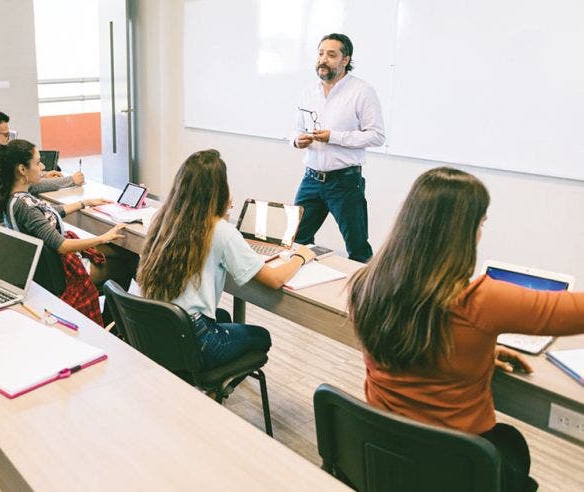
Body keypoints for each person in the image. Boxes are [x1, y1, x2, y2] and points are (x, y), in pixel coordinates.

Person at [348, 167, 584, 492]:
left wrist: (479, 350)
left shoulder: (367, 284)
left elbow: (419, 339)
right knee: (511, 444)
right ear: (464, 230)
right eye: (481, 223)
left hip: (383, 454)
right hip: (453, 469)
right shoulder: (480, 301)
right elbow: (574, 313)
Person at [136, 149, 315, 369]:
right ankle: (210, 388)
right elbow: (275, 280)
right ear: (219, 191)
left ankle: (197, 377)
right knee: (261, 337)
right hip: (194, 337)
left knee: (223, 316)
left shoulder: (163, 218)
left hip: (158, 328)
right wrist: (300, 256)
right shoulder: (220, 231)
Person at [0, 139, 125, 324]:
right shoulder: (25, 206)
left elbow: (45, 215)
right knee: (126, 261)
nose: (42, 167)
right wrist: (103, 238)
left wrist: (84, 203)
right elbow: (63, 246)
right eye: (37, 162)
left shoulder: (14, 199)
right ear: (22, 170)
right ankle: (109, 323)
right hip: (62, 274)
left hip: (45, 269)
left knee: (116, 254)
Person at [290, 33, 385, 263]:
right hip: (311, 179)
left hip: (345, 182)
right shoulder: (308, 91)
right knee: (295, 240)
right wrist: (296, 140)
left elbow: (377, 136)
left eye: (331, 55)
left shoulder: (362, 91)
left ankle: (362, 297)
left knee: (357, 248)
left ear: (345, 60)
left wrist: (334, 137)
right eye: (321, 53)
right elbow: (294, 129)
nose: (323, 59)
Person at [0, 110, 84, 208]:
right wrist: (71, 180)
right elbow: (29, 186)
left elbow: (16, 178)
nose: (9, 140)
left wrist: (43, 175)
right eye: (6, 135)